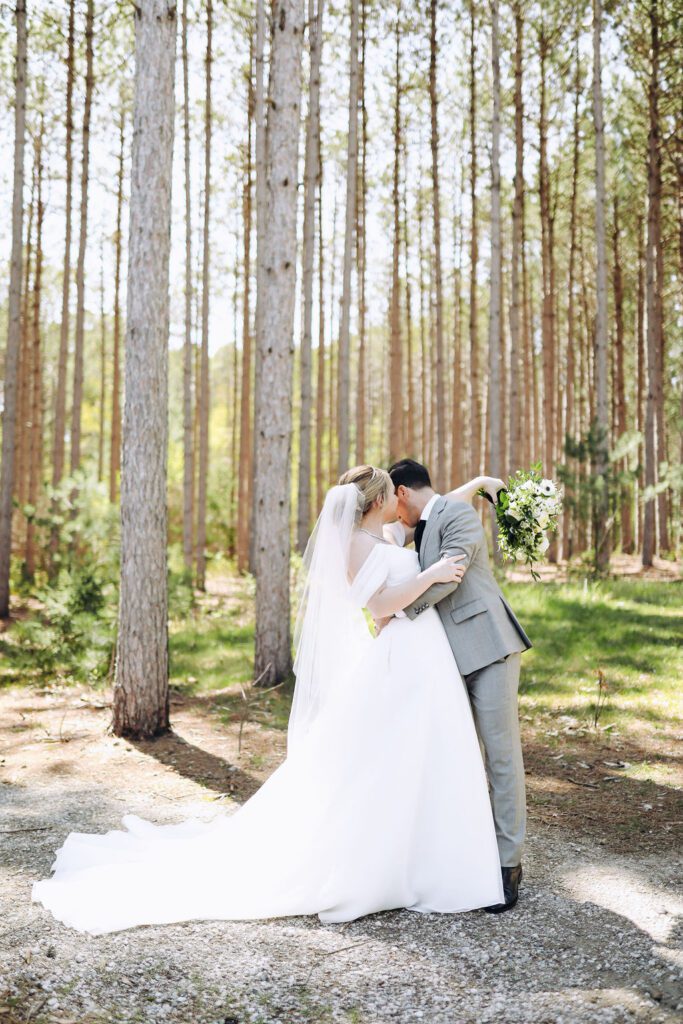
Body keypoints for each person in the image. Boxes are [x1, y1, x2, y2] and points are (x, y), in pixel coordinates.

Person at [31, 466, 507, 935]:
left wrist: (480, 486)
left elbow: (436, 506)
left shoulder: (384, 537)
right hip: (405, 653)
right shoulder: (360, 545)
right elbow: (381, 606)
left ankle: (428, 849)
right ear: (379, 501)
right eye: (389, 494)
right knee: (393, 754)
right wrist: (436, 574)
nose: (396, 503)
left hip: (421, 655)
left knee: (421, 752)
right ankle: (397, 861)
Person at [386, 458, 532, 912]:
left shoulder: (458, 515)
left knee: (501, 758)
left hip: (488, 648)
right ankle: (471, 859)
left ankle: (508, 866)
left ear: (402, 493)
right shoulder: (422, 522)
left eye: (392, 503)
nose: (393, 514)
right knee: (460, 762)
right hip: (447, 658)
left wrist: (397, 613)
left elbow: (452, 573)